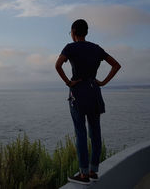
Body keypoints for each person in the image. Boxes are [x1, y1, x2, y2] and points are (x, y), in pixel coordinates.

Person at [55, 19, 121, 184]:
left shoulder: (70, 48)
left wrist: (69, 82)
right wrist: (103, 82)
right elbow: (116, 65)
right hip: (94, 91)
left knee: (81, 133)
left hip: (78, 92)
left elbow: (58, 65)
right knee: (95, 133)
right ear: (86, 32)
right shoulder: (96, 48)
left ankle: (83, 174)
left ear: (73, 31)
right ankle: (93, 171)